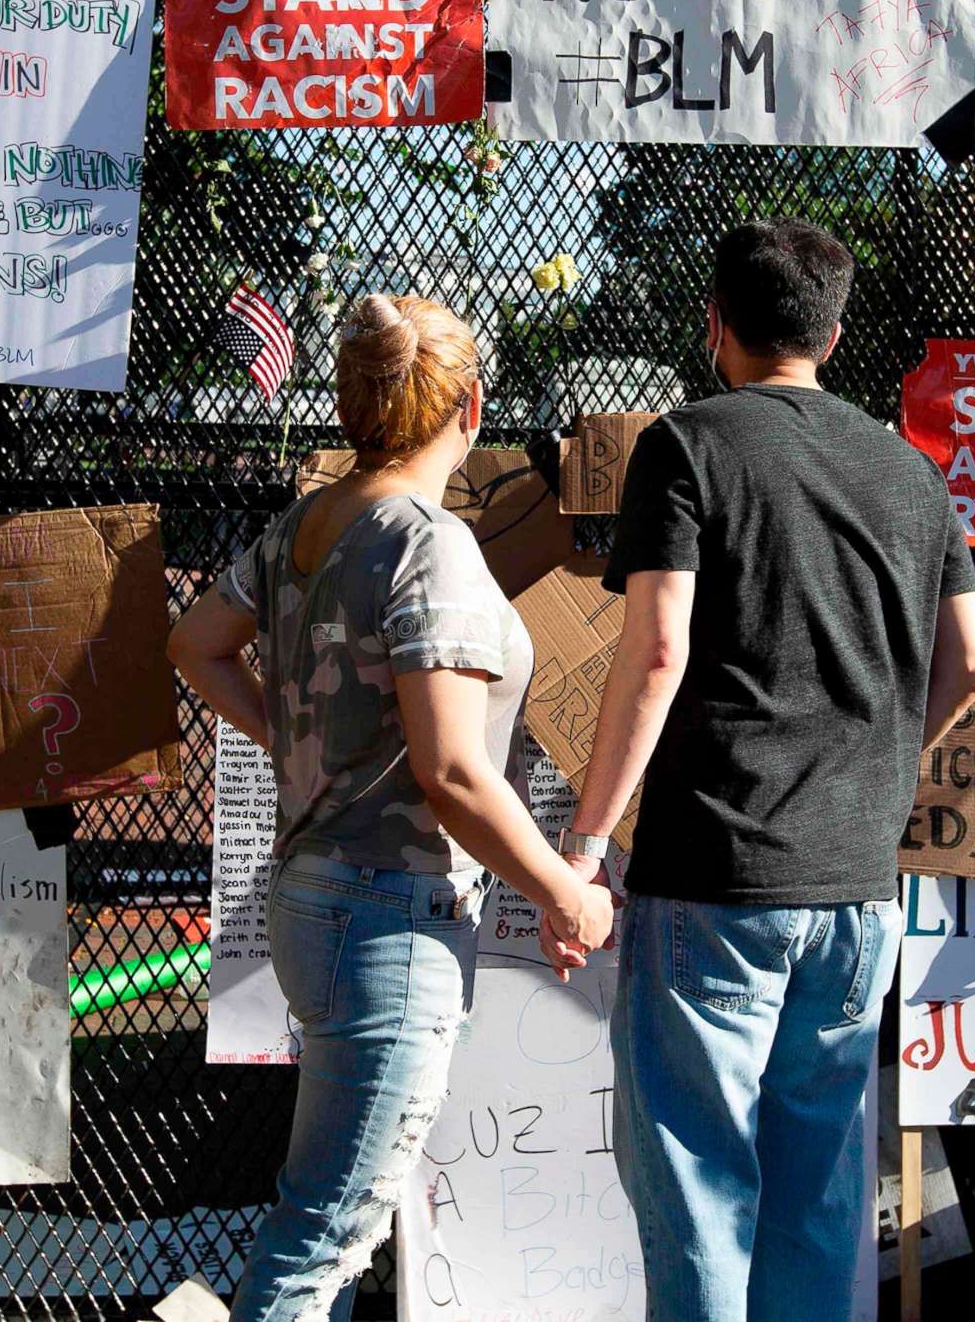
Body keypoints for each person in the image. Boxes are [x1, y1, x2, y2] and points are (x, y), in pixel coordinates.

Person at [560, 218, 975, 1321]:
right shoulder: (914, 475)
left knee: (701, 1184)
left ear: (717, 325)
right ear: (835, 335)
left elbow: (657, 650)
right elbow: (972, 667)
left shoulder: (688, 445)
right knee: (817, 1195)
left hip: (714, 872)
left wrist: (586, 841)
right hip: (857, 888)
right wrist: (882, 776)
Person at [171, 294, 614, 1322]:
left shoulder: (306, 526)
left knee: (331, 1218)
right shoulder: (429, 543)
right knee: (326, 1231)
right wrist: (563, 891)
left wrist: (296, 741)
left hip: (317, 893)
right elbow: (454, 773)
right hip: (388, 912)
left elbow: (192, 643)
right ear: (469, 408)